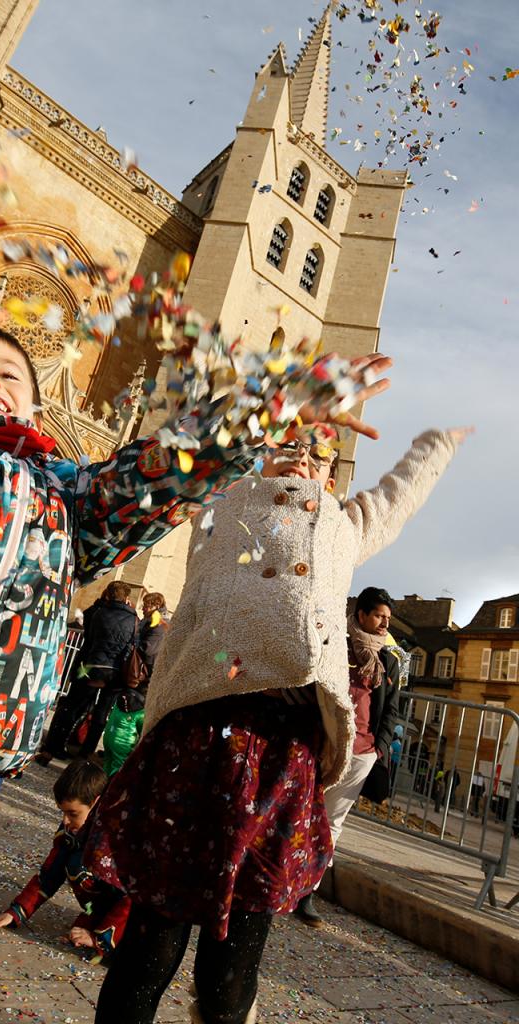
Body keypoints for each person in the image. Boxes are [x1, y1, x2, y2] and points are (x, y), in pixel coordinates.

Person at [0, 220, 392, 1023]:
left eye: (9, 370)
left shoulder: (72, 501)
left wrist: (270, 406)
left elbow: (157, 472)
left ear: (41, 395)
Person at [84, 423, 468, 1024]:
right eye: (287, 442)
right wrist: (254, 404)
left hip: (282, 753)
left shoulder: (343, 525)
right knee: (153, 942)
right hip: (197, 740)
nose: (301, 456)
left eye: (318, 452)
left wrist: (437, 444)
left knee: (235, 958)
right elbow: (181, 458)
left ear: (334, 475)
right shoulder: (217, 505)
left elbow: (398, 494)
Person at [296, 587, 401, 928]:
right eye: (379, 616)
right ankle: (279, 879)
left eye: (388, 618)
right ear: (361, 615)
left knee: (333, 821)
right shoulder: (336, 646)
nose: (385, 623)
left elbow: (393, 709)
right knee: (300, 809)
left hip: (363, 752)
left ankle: (306, 892)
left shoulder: (389, 660)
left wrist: (379, 747)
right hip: (324, 743)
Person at [0, 759, 129, 956]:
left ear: (97, 803)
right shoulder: (70, 833)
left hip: (133, 919)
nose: (65, 821)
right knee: (73, 861)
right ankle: (97, 921)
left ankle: (106, 933)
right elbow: (49, 875)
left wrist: (101, 939)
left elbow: (132, 894)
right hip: (107, 907)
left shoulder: (116, 837)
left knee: (80, 867)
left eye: (73, 813)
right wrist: (16, 912)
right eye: (63, 813)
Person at [37, 581, 139, 764]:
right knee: (101, 714)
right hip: (115, 673)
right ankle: (85, 754)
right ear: (127, 598)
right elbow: (132, 646)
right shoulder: (133, 620)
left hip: (89, 667)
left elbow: (89, 638)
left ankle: (54, 746)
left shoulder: (99, 612)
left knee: (74, 706)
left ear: (108, 594)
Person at [101, 592, 169, 776]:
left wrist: (132, 648)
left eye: (147, 604)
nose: (143, 608)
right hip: (141, 682)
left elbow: (148, 652)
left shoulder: (158, 624)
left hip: (141, 683)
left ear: (156, 605)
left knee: (126, 726)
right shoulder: (153, 622)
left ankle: (117, 772)